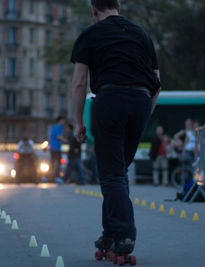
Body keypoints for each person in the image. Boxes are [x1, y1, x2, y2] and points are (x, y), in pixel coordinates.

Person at [71, 0, 161, 255]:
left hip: (110, 100)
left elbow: (79, 83)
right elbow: (157, 83)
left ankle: (123, 234)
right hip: (141, 101)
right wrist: (144, 114)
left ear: (93, 9)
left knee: (111, 174)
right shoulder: (141, 34)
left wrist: (79, 121)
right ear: (119, 7)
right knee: (118, 171)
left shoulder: (90, 34)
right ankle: (110, 233)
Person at [49, 116, 66, 181]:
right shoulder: (59, 126)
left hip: (52, 147)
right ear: (60, 120)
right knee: (58, 163)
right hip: (56, 147)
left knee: (52, 162)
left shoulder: (54, 127)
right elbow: (59, 136)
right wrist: (67, 141)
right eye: (63, 120)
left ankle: (50, 177)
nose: (64, 122)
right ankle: (57, 177)